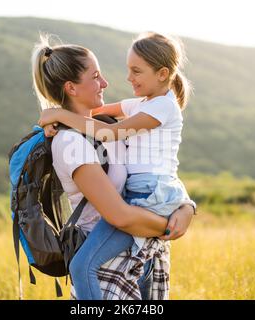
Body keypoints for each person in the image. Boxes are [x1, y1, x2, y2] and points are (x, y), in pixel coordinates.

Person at [32, 34, 196, 299]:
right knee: (82, 266)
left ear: (162, 73)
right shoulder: (74, 142)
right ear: (71, 88)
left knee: (83, 266)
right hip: (111, 272)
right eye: (96, 76)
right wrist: (55, 118)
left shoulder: (158, 108)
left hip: (140, 254)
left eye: (136, 71)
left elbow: (111, 134)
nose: (109, 82)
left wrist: (186, 206)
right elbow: (121, 216)